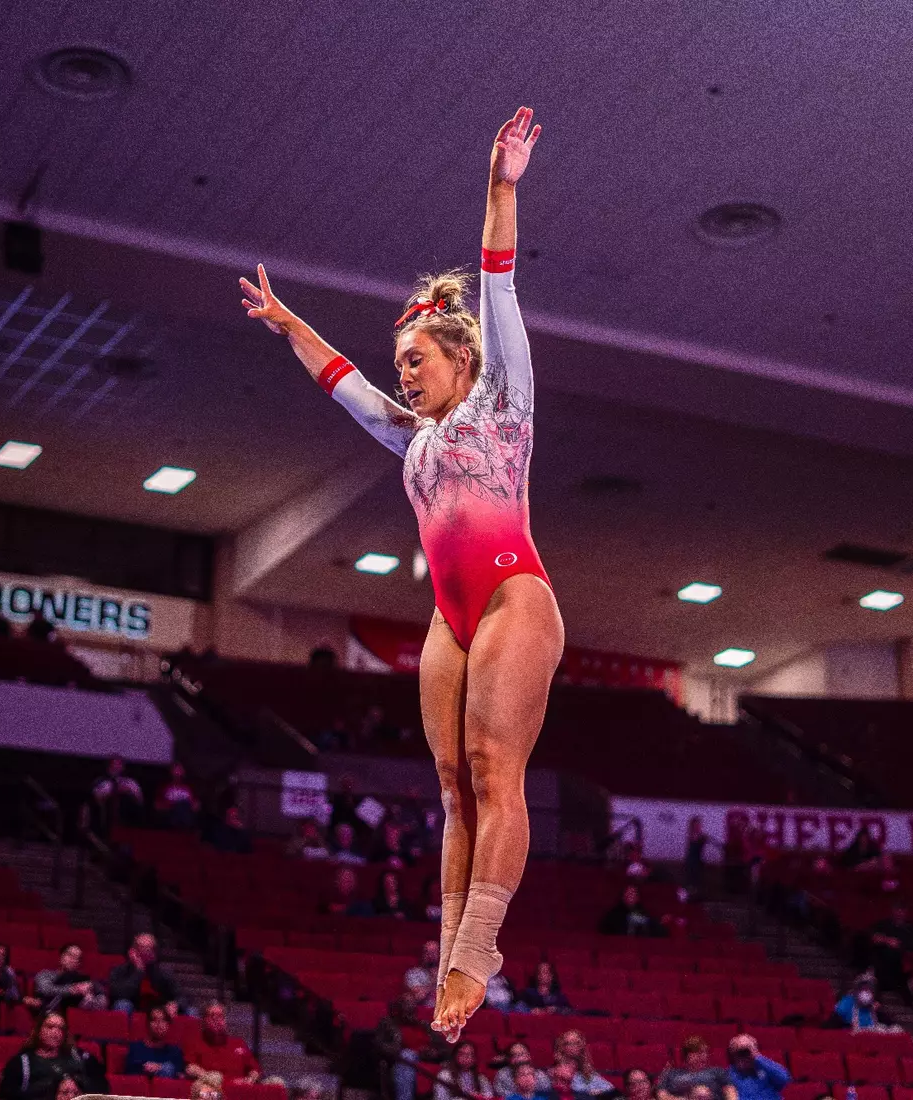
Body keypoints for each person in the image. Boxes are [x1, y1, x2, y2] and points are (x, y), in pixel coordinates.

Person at [241, 106, 560, 1044]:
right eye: (401, 367)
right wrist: (291, 322)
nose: (406, 378)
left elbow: (498, 284)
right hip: (449, 617)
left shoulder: (503, 397)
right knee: (452, 786)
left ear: (461, 359)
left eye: (417, 363)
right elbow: (345, 386)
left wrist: (502, 186)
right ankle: (448, 945)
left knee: (499, 772)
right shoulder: (412, 438)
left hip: (513, 596)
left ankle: (477, 954)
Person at [0, 1012, 106, 1100]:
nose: (56, 1032)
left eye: (60, 1029)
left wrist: (78, 1085)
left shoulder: (80, 1057)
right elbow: (7, 1094)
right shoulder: (22, 1062)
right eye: (50, 1027)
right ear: (38, 1031)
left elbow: (102, 1087)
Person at [108, 933, 184, 1014]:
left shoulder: (163, 972)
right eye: (142, 948)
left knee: (191, 1011)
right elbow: (118, 995)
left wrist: (175, 1004)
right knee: (122, 1005)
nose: (147, 952)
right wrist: (139, 972)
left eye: (150, 948)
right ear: (133, 951)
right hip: (133, 1008)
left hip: (158, 1011)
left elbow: (181, 996)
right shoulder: (120, 970)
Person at [187, 1002, 260, 1083]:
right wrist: (213, 1079)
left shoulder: (238, 1043)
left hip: (239, 1089)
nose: (216, 1019)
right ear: (203, 1020)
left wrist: (249, 1080)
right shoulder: (194, 1042)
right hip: (212, 1087)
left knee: (275, 1081)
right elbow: (190, 1068)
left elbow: (255, 1069)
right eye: (211, 1016)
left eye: (220, 1016)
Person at [33, 944, 107, 1013]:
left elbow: (99, 989)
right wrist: (73, 989)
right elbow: (46, 989)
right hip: (51, 1012)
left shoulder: (82, 979)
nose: (74, 960)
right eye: (71, 955)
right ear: (61, 956)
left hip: (77, 1013)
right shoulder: (45, 974)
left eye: (77, 958)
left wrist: (89, 990)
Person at [655, 1037, 732, 1100]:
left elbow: (730, 1091)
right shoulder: (671, 1073)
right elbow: (661, 1094)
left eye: (705, 1052)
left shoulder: (717, 1071)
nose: (704, 1056)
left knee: (702, 1092)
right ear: (686, 1055)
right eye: (699, 1053)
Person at [125, 1005, 188, 1079]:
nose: (159, 1024)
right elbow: (130, 1075)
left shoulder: (175, 1052)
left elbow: (180, 1076)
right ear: (148, 1024)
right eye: (154, 1020)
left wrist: (160, 1068)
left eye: (163, 1020)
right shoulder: (135, 1049)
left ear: (168, 1025)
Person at [866, 904, 913, 992]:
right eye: (897, 909)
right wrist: (887, 940)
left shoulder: (910, 929)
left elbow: (911, 947)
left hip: (900, 965)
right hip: (882, 963)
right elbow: (873, 937)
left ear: (906, 912)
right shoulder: (883, 924)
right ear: (893, 910)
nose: (899, 913)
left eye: (902, 910)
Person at [725, 1034, 787, 1100]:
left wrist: (757, 1057)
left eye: (746, 1051)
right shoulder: (728, 1076)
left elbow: (784, 1078)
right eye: (739, 1052)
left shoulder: (765, 1068)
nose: (743, 1056)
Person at [552, 1031, 611, 1096]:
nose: (572, 1047)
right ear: (561, 1047)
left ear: (582, 1047)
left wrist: (600, 1092)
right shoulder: (552, 1074)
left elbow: (611, 1091)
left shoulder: (591, 1076)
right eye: (568, 1043)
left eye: (576, 1043)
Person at [834, 976, 899, 1034]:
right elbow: (835, 1022)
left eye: (869, 990)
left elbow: (892, 1026)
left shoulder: (875, 1009)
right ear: (856, 991)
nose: (866, 993)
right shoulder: (846, 1003)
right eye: (863, 989)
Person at [598, 885, 663, 937]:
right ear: (623, 896)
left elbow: (654, 930)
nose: (630, 896)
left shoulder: (643, 913)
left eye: (633, 894)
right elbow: (605, 930)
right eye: (628, 893)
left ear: (638, 898)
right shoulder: (613, 914)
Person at [156, 765, 198, 829]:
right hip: (170, 815)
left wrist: (193, 806)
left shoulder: (187, 788)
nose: (177, 773)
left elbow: (195, 805)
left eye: (179, 771)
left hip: (186, 816)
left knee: (183, 805)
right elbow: (157, 805)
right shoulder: (164, 788)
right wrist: (173, 805)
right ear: (171, 772)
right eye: (175, 771)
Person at [404, 942, 440, 1010]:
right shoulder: (413, 973)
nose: (431, 956)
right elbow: (419, 996)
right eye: (427, 952)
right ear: (423, 955)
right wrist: (433, 980)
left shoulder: (449, 974)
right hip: (424, 1011)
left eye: (434, 952)